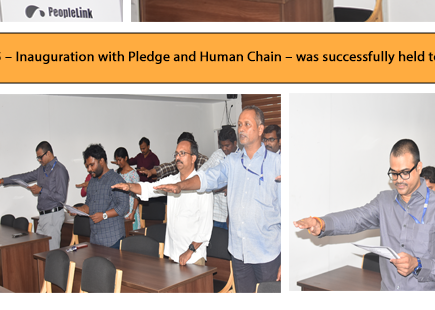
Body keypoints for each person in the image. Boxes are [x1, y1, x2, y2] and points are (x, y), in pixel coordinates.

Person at [294, 138, 435, 290]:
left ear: (419, 167)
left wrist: (418, 264)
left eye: (405, 172)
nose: (399, 180)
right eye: (394, 173)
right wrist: (321, 223)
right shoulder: (384, 201)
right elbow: (356, 218)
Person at [160, 107, 283, 292]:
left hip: (267, 254)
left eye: (247, 124)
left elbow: (286, 213)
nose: (241, 129)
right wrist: (181, 185)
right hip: (239, 254)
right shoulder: (232, 162)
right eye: (239, 124)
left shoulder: (277, 164)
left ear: (260, 129)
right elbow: (208, 178)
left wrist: (285, 258)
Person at [114, 133, 213, 266]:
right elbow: (149, 188)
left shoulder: (203, 185)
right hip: (173, 253)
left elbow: (205, 226)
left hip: (193, 257)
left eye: (182, 153)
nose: (177, 157)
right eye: (176, 154)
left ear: (193, 158)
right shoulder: (171, 181)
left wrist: (190, 251)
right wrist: (129, 186)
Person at [0, 140, 71, 250]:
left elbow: (61, 197)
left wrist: (41, 190)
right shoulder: (42, 169)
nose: (39, 160)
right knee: (40, 251)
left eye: (40, 157)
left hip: (53, 216)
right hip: (43, 216)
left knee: (51, 252)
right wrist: (1, 181)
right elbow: (24, 177)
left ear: (48, 153)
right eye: (37, 158)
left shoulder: (60, 170)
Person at [75, 144, 132, 249]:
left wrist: (104, 215)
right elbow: (89, 204)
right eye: (87, 166)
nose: (89, 169)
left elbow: (124, 207)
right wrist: (80, 210)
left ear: (101, 161)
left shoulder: (116, 180)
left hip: (113, 240)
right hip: (95, 239)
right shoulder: (92, 182)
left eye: (92, 165)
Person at [204, 125, 237, 231]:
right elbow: (203, 172)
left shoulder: (241, 158)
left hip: (233, 215)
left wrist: (229, 187)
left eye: (227, 145)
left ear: (235, 143)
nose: (224, 149)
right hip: (216, 213)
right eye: (221, 145)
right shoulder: (217, 154)